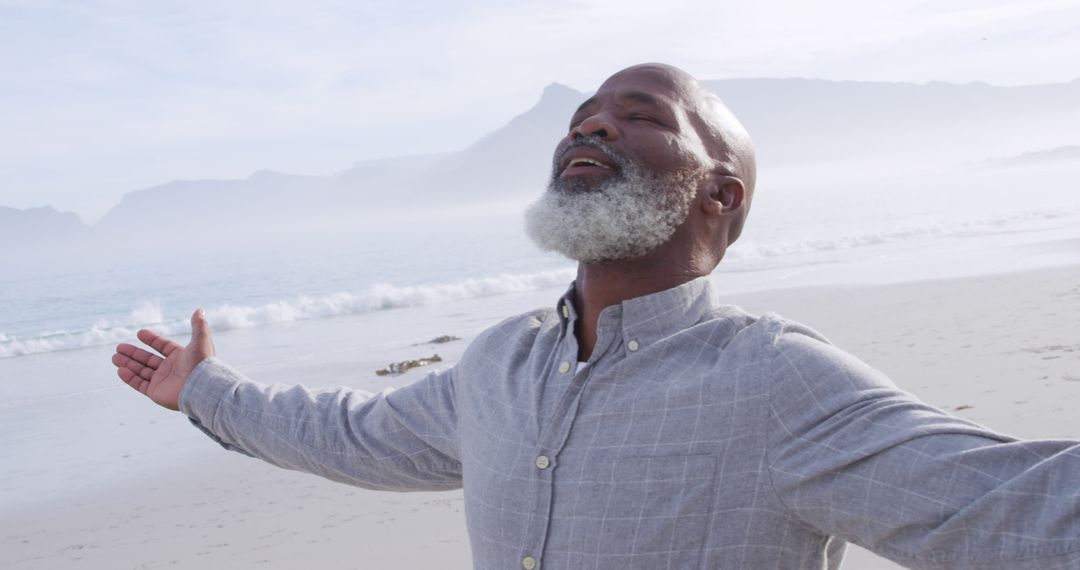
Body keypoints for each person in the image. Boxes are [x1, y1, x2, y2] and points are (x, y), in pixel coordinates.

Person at [111, 63, 1080, 569]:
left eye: (643, 114)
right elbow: (353, 436)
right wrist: (205, 389)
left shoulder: (777, 382)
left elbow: (1013, 509)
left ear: (721, 196)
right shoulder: (497, 368)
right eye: (582, 116)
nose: (593, 125)